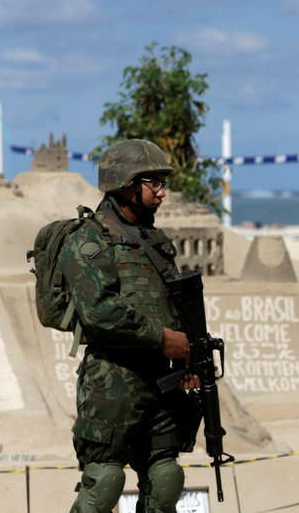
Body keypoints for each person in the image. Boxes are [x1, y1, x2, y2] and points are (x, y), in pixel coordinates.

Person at [59, 139, 200, 513]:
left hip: (161, 379)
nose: (162, 191)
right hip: (112, 381)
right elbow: (99, 312)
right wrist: (163, 339)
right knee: (104, 482)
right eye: (153, 182)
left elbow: (173, 307)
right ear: (124, 184)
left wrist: (190, 356)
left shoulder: (155, 241)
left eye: (161, 182)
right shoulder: (88, 239)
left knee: (166, 478)